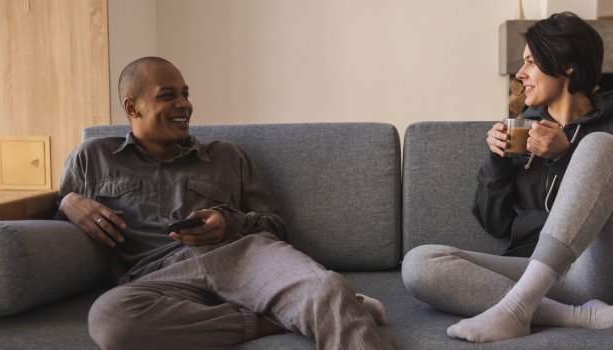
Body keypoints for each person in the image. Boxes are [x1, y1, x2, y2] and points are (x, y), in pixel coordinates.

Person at [56, 56, 394, 350]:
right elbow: (55, 220)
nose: (184, 105)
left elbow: (275, 227)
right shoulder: (92, 157)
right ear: (133, 107)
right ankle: (276, 321)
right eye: (168, 96)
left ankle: (323, 308)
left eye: (185, 94)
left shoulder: (227, 156)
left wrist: (227, 222)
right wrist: (68, 202)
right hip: (160, 277)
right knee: (110, 318)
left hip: (244, 256)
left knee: (328, 288)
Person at [402, 12, 613, 343]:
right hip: (539, 275)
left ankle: (516, 310)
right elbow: (496, 225)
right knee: (420, 264)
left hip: (605, 269)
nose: (520, 73)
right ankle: (579, 316)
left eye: (531, 61)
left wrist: (565, 156)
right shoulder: (521, 129)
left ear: (566, 65)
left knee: (600, 145)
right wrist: (497, 161)